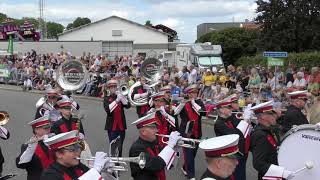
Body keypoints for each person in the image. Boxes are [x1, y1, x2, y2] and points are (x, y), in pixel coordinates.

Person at [250, 101, 295, 180]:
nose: (275, 116)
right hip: (270, 177)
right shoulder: (260, 135)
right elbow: (258, 163)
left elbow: (280, 127)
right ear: (263, 116)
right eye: (271, 114)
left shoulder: (269, 128)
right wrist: (280, 172)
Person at [129, 112, 182, 180]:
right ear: (143, 132)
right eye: (153, 128)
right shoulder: (137, 149)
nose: (157, 130)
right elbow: (157, 165)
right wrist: (170, 146)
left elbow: (167, 164)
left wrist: (175, 148)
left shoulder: (153, 142)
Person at [41, 130, 111, 180]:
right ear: (59, 154)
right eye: (72, 150)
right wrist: (96, 170)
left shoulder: (78, 166)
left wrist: (105, 172)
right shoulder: (49, 175)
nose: (78, 153)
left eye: (78, 148)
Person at [213, 97, 251, 180]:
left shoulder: (231, 118)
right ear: (222, 110)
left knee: (241, 175)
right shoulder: (219, 124)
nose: (231, 109)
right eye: (228, 107)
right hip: (230, 156)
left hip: (240, 151)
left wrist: (246, 120)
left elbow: (243, 127)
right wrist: (245, 121)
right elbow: (236, 135)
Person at [177, 84, 206, 180]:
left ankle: (185, 167)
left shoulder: (199, 102)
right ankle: (191, 176)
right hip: (186, 132)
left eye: (195, 93)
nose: (194, 94)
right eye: (192, 93)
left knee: (193, 153)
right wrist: (181, 104)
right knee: (188, 154)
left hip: (197, 132)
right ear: (188, 94)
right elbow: (174, 114)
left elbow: (203, 114)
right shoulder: (183, 103)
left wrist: (194, 103)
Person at [16, 115, 54, 180]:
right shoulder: (27, 146)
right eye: (46, 128)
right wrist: (31, 147)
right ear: (36, 130)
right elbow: (20, 165)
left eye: (49, 127)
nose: (49, 130)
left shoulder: (53, 142)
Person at [103, 79, 131, 156]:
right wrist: (117, 100)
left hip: (121, 125)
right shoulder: (106, 98)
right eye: (111, 87)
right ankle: (113, 161)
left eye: (115, 87)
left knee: (120, 145)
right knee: (113, 145)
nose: (113, 89)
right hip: (112, 126)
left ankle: (119, 160)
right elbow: (108, 110)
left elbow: (128, 106)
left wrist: (122, 98)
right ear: (109, 89)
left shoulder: (120, 96)